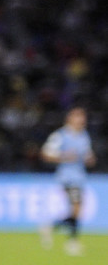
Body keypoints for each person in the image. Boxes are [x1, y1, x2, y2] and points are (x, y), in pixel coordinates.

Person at [39, 107, 95, 255]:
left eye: (82, 117)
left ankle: (52, 226)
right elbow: (45, 153)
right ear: (70, 118)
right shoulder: (60, 135)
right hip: (67, 177)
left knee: (76, 211)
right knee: (77, 207)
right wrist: (63, 157)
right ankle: (72, 242)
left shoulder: (84, 136)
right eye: (78, 117)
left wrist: (90, 159)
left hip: (80, 177)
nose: (81, 120)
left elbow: (88, 155)